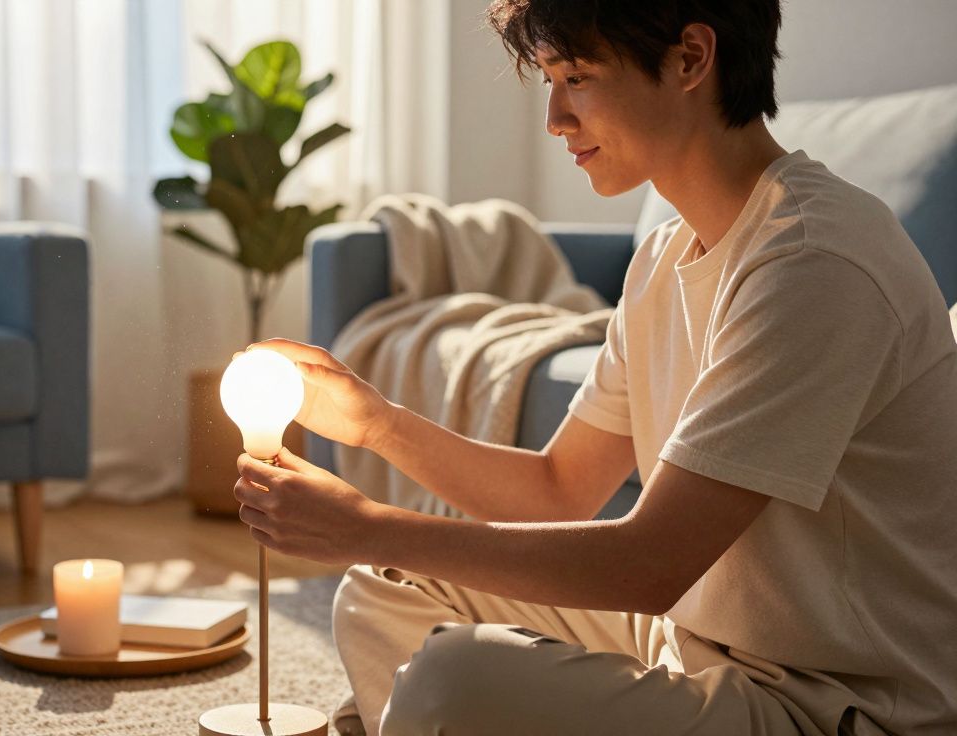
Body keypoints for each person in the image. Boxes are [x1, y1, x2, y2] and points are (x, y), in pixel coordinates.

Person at [231, 1, 957, 734]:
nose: (555, 118)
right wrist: (377, 424)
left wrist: (368, 524)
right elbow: (557, 490)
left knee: (452, 679)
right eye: (550, 79)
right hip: (693, 646)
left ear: (691, 59)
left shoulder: (813, 260)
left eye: (576, 77)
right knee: (382, 592)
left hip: (829, 702)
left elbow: (649, 566)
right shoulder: (663, 256)